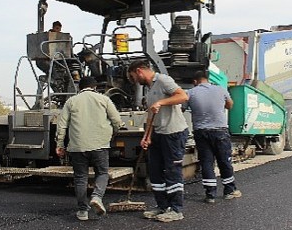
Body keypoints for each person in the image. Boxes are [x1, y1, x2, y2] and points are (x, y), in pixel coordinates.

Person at [126, 60, 189, 223]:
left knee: (172, 170)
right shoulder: (149, 90)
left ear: (139, 71)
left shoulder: (163, 80)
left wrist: (161, 102)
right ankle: (162, 206)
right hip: (158, 134)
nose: (134, 80)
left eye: (133, 76)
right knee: (155, 171)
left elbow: (183, 96)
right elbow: (150, 116)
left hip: (173, 133)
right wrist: (146, 136)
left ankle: (176, 209)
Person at [55, 76, 122, 221]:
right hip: (100, 144)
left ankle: (82, 211)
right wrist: (114, 133)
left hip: (77, 146)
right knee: (102, 173)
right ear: (95, 87)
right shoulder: (104, 99)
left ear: (80, 88)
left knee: (80, 178)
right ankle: (97, 197)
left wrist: (60, 145)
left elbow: (62, 125)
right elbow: (117, 120)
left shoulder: (71, 101)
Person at [186, 71, 241, 203]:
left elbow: (183, 107)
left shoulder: (190, 93)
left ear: (195, 81)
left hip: (201, 132)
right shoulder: (220, 89)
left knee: (206, 162)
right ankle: (229, 190)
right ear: (207, 79)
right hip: (220, 131)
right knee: (224, 161)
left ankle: (210, 194)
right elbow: (230, 105)